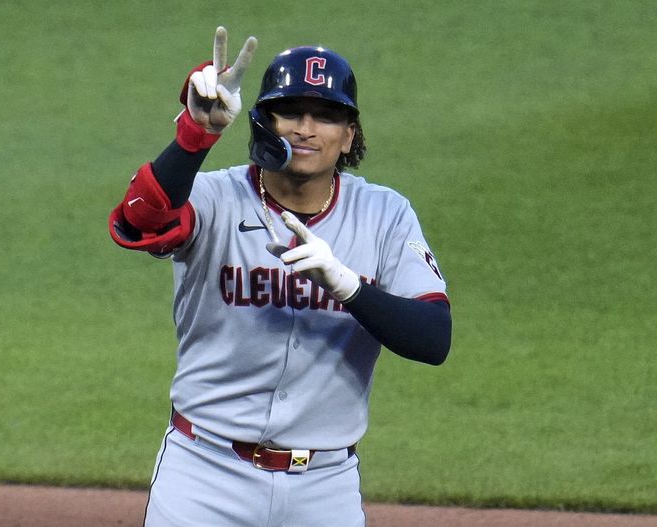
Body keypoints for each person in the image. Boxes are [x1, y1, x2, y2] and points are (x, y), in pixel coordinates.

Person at [109, 26, 452, 527]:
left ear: (350, 135)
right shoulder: (213, 198)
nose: (306, 128)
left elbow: (433, 338)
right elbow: (139, 222)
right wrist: (193, 135)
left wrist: (350, 288)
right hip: (205, 474)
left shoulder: (385, 215)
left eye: (327, 115)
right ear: (263, 123)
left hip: (324, 486)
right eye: (290, 112)